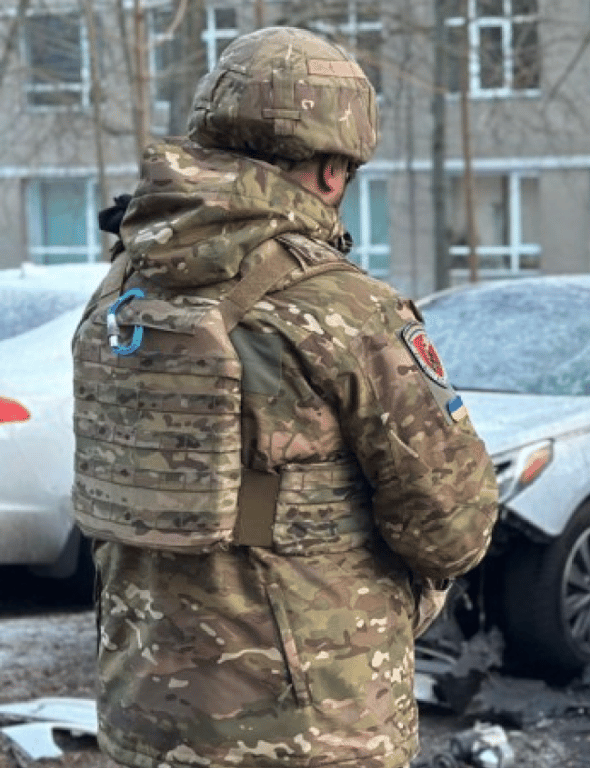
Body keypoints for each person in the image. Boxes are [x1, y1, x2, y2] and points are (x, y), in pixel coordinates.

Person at [70, 27, 498, 768]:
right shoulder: (343, 308)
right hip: (312, 732)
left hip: (144, 720)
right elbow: (453, 527)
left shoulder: (121, 287)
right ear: (332, 170)